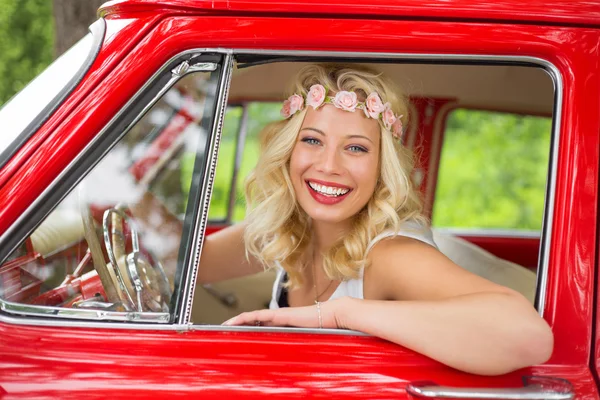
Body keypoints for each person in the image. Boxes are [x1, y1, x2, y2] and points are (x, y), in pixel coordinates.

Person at [198, 63, 553, 375]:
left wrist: (340, 315)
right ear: (288, 150)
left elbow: (529, 337)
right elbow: (194, 262)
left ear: (382, 166)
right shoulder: (294, 223)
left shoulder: (390, 254)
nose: (328, 166)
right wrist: (140, 198)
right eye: (312, 140)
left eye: (356, 148)